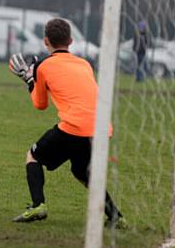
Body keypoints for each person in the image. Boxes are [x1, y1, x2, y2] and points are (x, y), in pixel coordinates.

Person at [8, 18, 126, 228]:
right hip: (101, 129)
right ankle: (115, 215)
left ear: (46, 41)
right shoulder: (85, 64)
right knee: (81, 171)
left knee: (33, 156)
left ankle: (38, 205)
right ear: (71, 40)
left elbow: (40, 104)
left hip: (74, 126)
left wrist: (29, 79)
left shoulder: (44, 66)